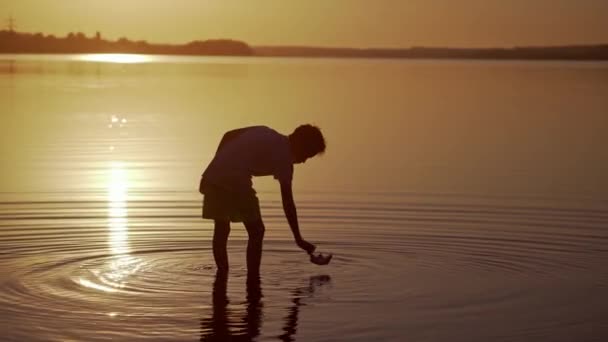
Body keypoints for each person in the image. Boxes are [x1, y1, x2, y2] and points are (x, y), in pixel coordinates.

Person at [199, 124, 326, 275]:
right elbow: (288, 203)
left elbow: (228, 134)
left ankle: (222, 275)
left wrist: (217, 163)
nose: (304, 161)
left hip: (212, 176)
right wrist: (298, 238)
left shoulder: (266, 132)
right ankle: (253, 278)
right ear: (300, 145)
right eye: (307, 155)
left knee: (221, 229)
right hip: (235, 180)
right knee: (257, 231)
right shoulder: (285, 159)